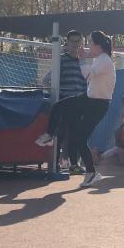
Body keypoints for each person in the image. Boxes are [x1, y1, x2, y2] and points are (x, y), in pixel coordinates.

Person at [35, 30, 87, 174]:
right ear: (67, 43)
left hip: (79, 105)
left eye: (78, 41)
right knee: (60, 134)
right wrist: (56, 96)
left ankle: (74, 165)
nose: (75, 44)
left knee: (76, 135)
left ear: (82, 43)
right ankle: (55, 164)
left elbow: (85, 83)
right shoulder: (61, 60)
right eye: (72, 41)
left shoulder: (83, 62)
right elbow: (46, 80)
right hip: (64, 104)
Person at [74, 30, 116, 188]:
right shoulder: (100, 59)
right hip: (91, 101)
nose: (88, 45)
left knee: (80, 137)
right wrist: (84, 58)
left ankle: (91, 172)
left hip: (98, 104)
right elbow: (90, 78)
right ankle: (52, 134)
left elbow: (87, 76)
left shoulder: (104, 60)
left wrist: (82, 59)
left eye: (91, 42)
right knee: (67, 112)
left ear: (99, 45)